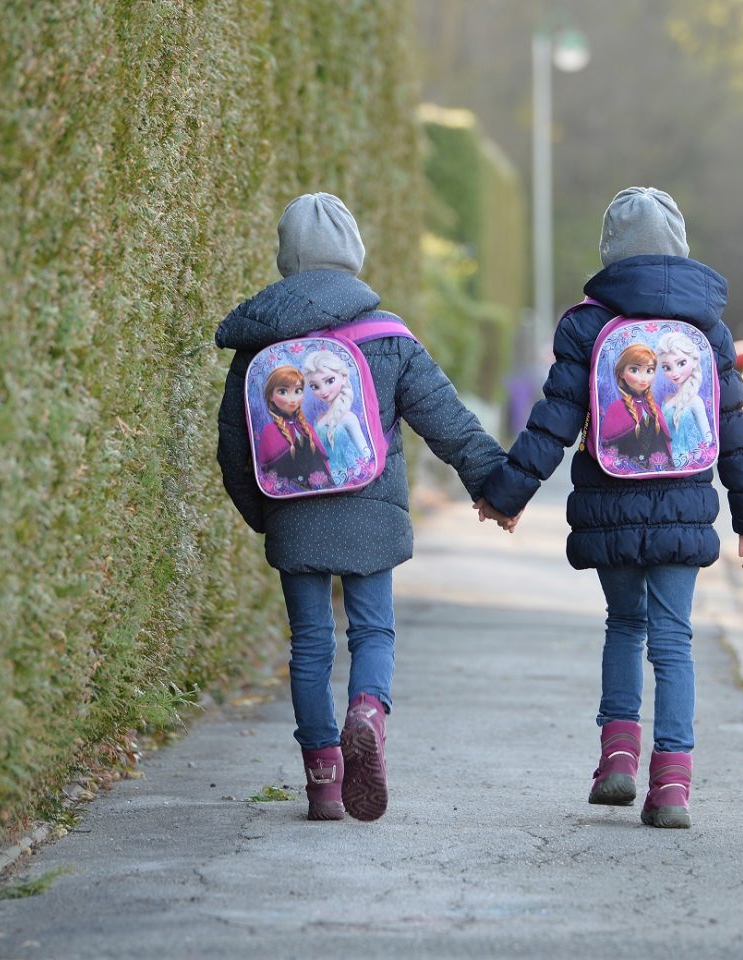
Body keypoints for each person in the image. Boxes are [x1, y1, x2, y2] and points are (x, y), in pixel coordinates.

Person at [476, 187, 743, 828]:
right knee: (674, 640)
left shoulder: (586, 324)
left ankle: (616, 758)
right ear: (680, 249)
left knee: (623, 625)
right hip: (685, 505)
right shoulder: (708, 328)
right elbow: (735, 428)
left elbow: (553, 421)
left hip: (611, 502)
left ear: (611, 251)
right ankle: (671, 788)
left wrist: (507, 494)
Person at [216, 192, 506, 822]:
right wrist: (496, 489)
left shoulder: (259, 349)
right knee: (372, 630)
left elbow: (233, 452)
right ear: (354, 254)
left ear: (286, 259)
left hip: (294, 512)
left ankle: (323, 781)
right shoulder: (388, 336)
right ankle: (368, 711)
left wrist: (269, 515)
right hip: (372, 512)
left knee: (311, 644)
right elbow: (449, 424)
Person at [301, 348, 372, 485]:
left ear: (343, 377)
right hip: (322, 482)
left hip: (345, 483)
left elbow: (366, 456)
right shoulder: (319, 418)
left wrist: (350, 475)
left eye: (330, 380)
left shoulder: (348, 418)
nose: (323, 391)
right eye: (315, 386)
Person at [598, 342, 671, 470]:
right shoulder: (616, 409)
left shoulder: (655, 409)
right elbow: (610, 448)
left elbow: (664, 448)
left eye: (649, 370)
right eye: (634, 370)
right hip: (623, 476)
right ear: (621, 373)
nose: (643, 378)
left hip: (658, 476)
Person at [257, 365, 330, 487]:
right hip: (288, 496)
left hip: (321, 493)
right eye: (283, 391)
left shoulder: (307, 428)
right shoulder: (269, 432)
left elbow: (322, 465)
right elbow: (269, 474)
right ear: (270, 396)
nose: (292, 399)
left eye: (298, 391)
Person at [656, 329, 715, 467]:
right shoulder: (667, 398)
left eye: (681, 363)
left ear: (694, 361)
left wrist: (691, 456)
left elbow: (707, 438)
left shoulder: (695, 401)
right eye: (666, 367)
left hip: (684, 464)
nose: (674, 373)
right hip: (663, 462)